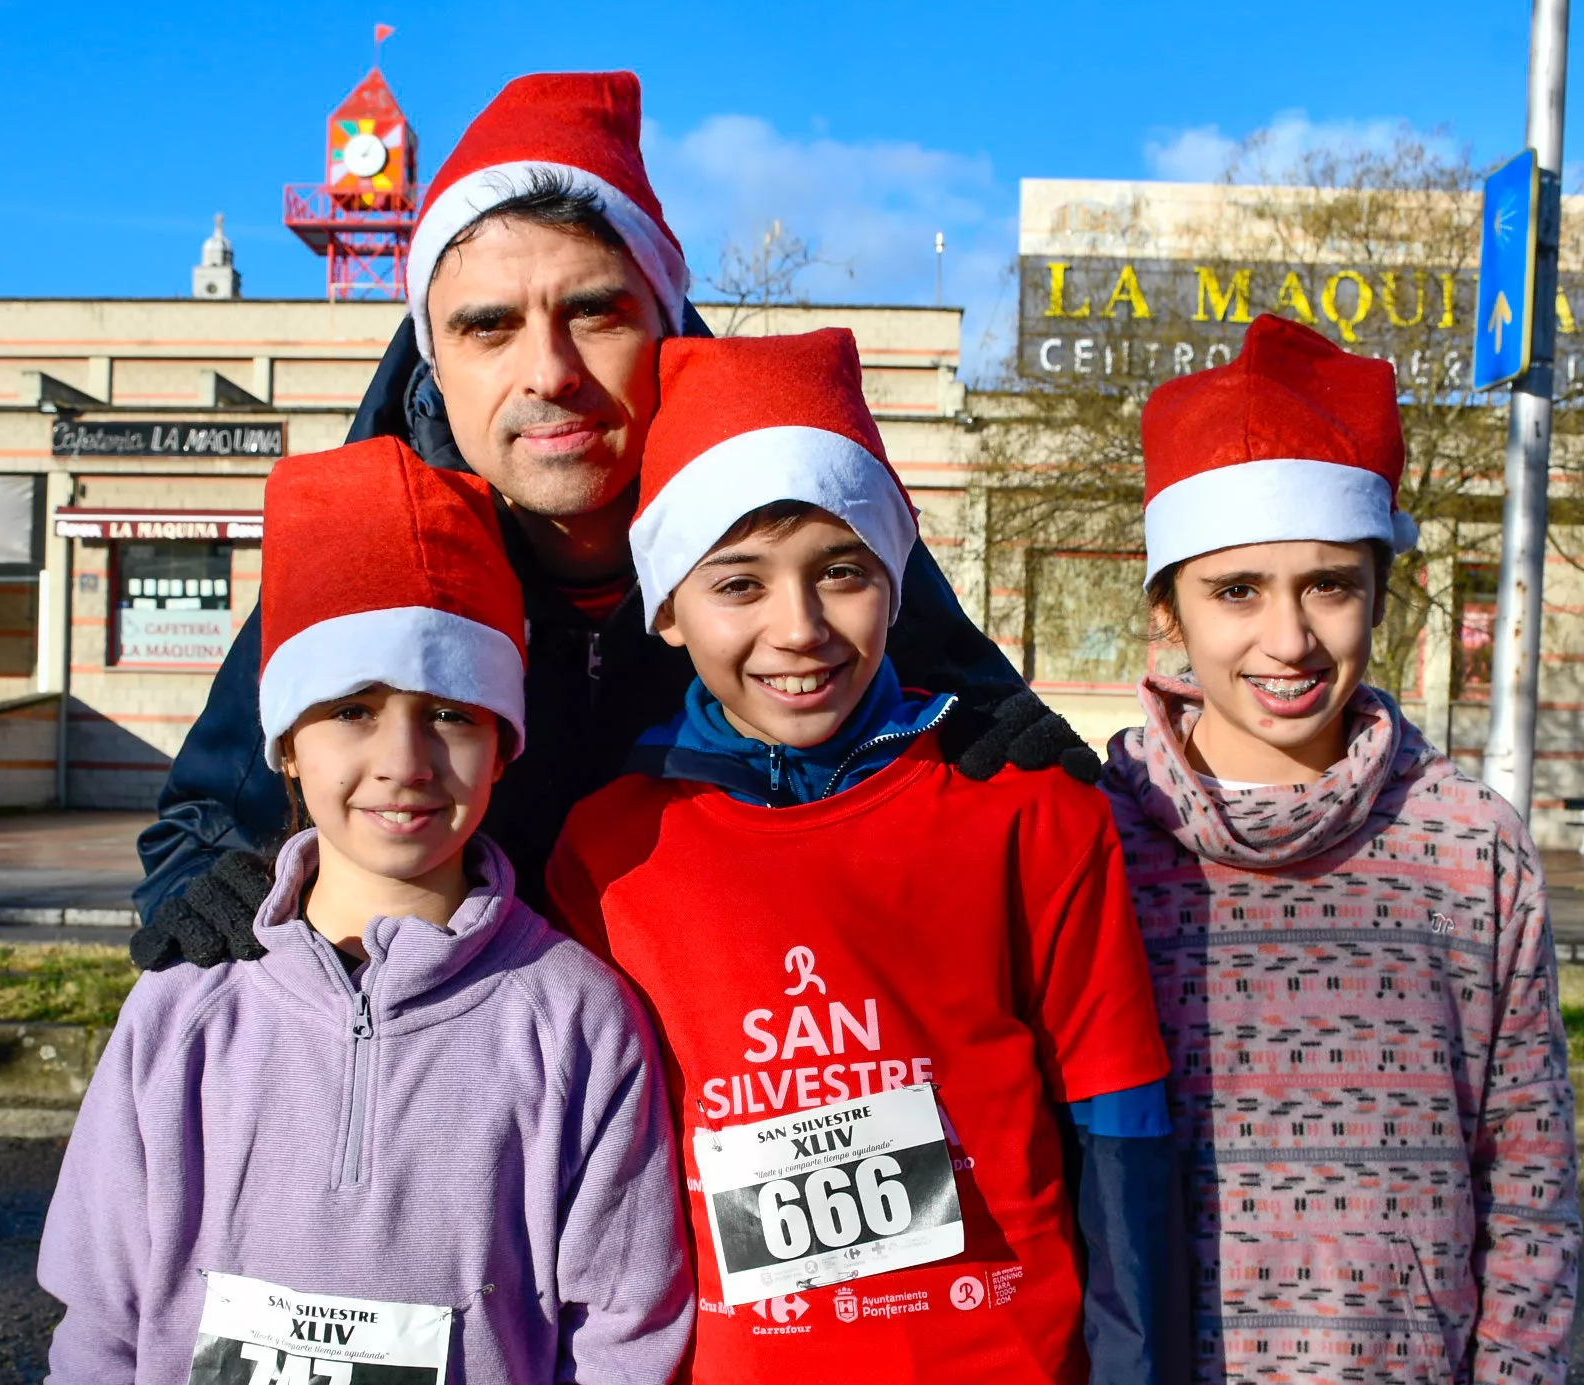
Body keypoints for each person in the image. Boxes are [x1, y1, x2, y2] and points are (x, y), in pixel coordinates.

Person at [545, 329, 1186, 1385]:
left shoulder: (1028, 812)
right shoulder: (609, 853)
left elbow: (1135, 1236)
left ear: (900, 577)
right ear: (667, 611)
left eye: (842, 569)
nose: (800, 626)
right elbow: (589, 1275)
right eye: (739, 582)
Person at [37, 435, 694, 1385]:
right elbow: (97, 1360)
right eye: (351, 710)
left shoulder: (580, 1024)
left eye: (450, 712)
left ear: (506, 735)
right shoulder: (176, 1030)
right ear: (281, 739)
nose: (402, 759)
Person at [132, 70, 1088, 966]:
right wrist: (233, 894)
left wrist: (1001, 749)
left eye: (594, 313)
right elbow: (200, 835)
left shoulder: (796, 542)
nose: (549, 372)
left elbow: (970, 713)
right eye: (487, 326)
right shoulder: (379, 566)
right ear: (433, 360)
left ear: (667, 333)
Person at [1093, 316, 1581, 1385]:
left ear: (1385, 593)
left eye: (1331, 586)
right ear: (1170, 609)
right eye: (1238, 591)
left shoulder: (1469, 850)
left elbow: (1535, 1211)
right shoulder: (1091, 845)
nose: (1287, 637)